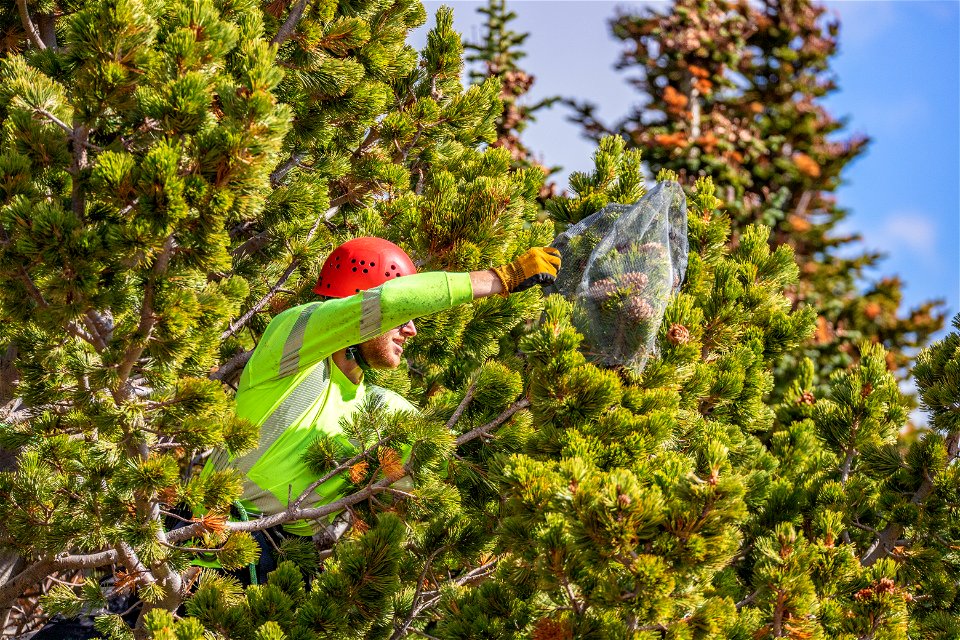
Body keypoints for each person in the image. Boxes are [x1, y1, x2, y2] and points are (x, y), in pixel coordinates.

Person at [205, 237, 561, 546]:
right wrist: (501, 278)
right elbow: (389, 301)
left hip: (274, 564)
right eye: (403, 317)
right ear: (356, 305)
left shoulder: (376, 408)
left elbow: (452, 460)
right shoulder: (291, 345)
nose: (411, 331)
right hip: (201, 537)